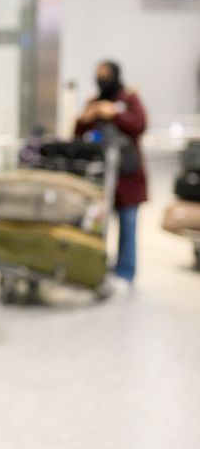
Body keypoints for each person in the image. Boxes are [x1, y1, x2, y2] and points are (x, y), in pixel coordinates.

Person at [75, 60, 148, 285]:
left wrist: (114, 114)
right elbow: (78, 137)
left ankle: (125, 273)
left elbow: (140, 124)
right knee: (96, 228)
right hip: (100, 180)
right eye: (98, 74)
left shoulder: (128, 99)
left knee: (128, 227)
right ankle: (97, 268)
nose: (101, 78)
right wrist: (84, 119)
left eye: (106, 74)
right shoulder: (95, 103)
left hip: (128, 178)